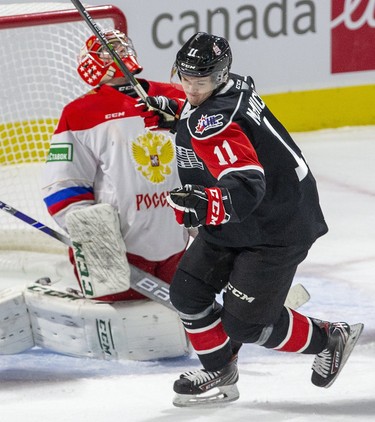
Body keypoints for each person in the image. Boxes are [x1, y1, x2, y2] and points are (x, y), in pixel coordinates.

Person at [142, 32, 364, 407]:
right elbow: (202, 113)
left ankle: (330, 337)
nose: (192, 90)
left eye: (202, 83)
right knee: (188, 293)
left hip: (275, 228)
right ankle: (220, 370)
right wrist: (178, 115)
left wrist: (201, 203)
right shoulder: (231, 88)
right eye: (186, 80)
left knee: (246, 325)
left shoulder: (217, 122)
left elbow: (246, 187)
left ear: (220, 76)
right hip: (242, 218)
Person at [37, 29, 191, 360]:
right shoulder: (80, 112)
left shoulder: (175, 98)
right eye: (111, 51)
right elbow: (61, 183)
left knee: (180, 336)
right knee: (123, 342)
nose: (117, 55)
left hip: (176, 242)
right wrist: (92, 236)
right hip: (119, 250)